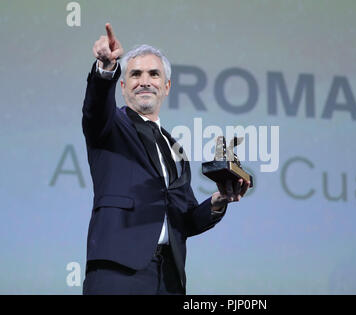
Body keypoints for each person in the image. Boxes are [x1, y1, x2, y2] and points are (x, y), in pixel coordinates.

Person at [82, 23, 250, 295]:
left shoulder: (175, 148)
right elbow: (95, 108)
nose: (145, 81)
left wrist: (218, 202)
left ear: (167, 86)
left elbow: (185, 219)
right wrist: (105, 68)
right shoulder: (111, 126)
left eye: (153, 74)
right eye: (135, 74)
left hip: (169, 278)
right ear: (123, 86)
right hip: (118, 272)